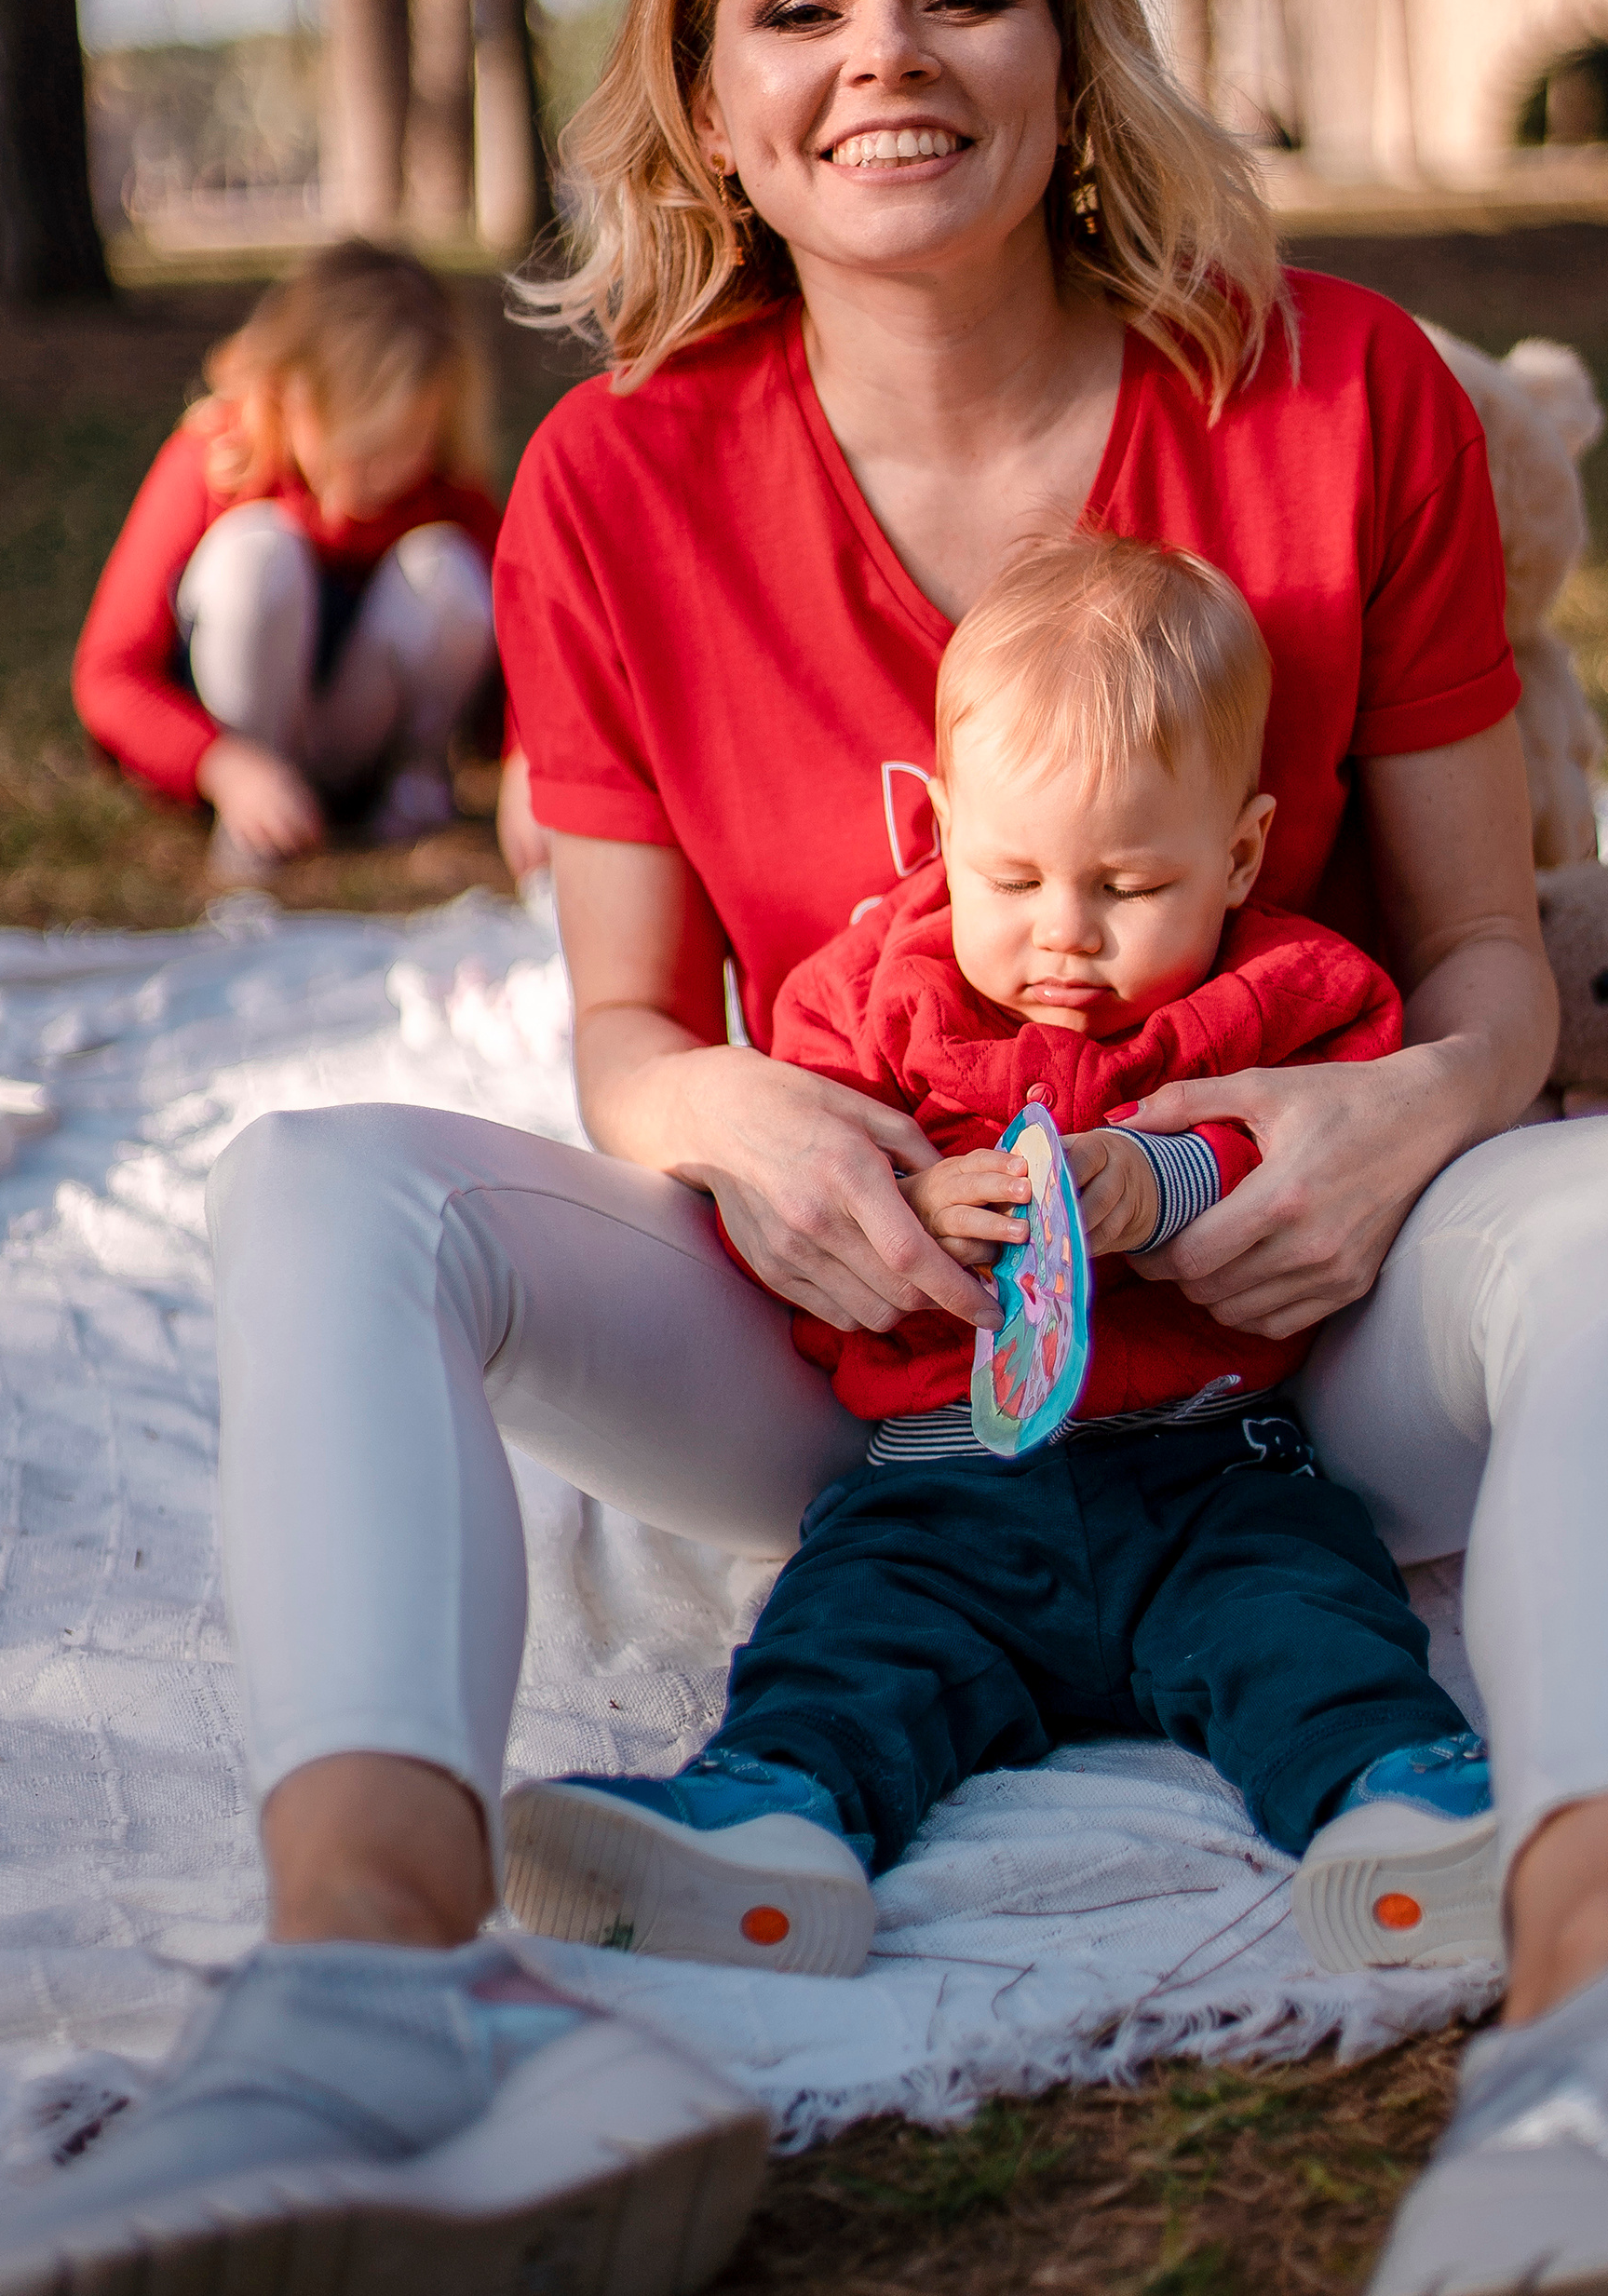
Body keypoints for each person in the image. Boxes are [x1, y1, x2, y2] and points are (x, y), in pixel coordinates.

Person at [0, 0, 1608, 2296]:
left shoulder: (1337, 392)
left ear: (1064, 53)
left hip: (1299, 1338)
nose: (881, 49)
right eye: (798, 4)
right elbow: (631, 1029)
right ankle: (378, 1994)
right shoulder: (608, 488)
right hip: (883, 1352)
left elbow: (1476, 960)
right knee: (324, 1182)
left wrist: (1393, 1116)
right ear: (708, 98)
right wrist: (750, 1126)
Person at [501, 533, 1500, 1985]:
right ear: (941, 829)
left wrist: (1155, 1182)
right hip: (946, 1478)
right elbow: (803, 1194)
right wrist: (913, 1206)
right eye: (1012, 874)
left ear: (1237, 853)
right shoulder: (867, 997)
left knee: (1308, 1628)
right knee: (846, 1644)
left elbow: (1316, 1143)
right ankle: (771, 1827)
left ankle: (1405, 1815)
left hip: (1208, 1465)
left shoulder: (1280, 991)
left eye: (1129, 884)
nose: (1063, 935)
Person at [73, 238, 510, 883]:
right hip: (242, 750)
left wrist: (526, 762)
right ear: (284, 391)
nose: (375, 477)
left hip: (365, 748)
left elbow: (529, 668)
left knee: (446, 568)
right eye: (353, 447)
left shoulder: (450, 495)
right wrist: (218, 765)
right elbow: (109, 674)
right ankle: (257, 818)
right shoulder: (213, 459)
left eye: (404, 446)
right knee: (257, 552)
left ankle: (412, 791)